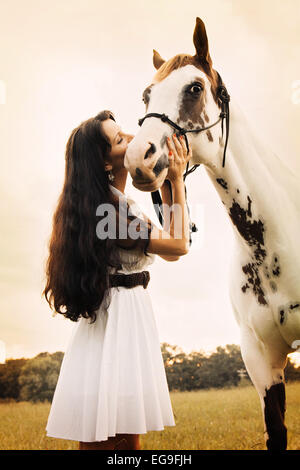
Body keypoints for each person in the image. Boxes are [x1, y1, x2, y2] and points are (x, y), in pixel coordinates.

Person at [43, 110, 191, 450]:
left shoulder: (118, 205)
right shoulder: (109, 213)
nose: (130, 138)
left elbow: (169, 246)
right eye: (120, 139)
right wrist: (178, 181)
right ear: (105, 162)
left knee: (118, 436)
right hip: (120, 322)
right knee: (119, 440)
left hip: (125, 318)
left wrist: (168, 182)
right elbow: (179, 245)